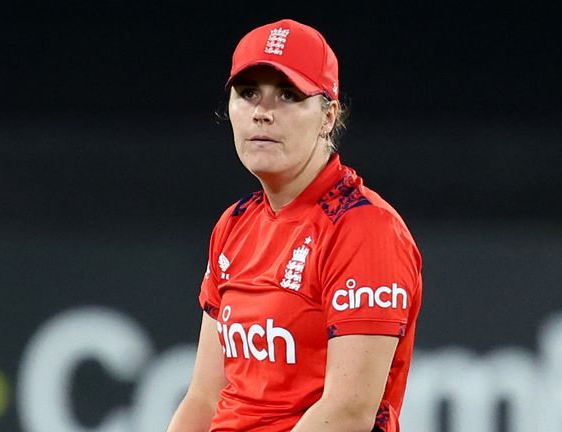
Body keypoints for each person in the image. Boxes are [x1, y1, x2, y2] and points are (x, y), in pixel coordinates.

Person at [166, 18, 422, 432]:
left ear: (328, 116)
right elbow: (204, 397)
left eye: (288, 95)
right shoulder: (234, 224)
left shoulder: (365, 230)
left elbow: (347, 414)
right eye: (248, 94)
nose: (263, 113)